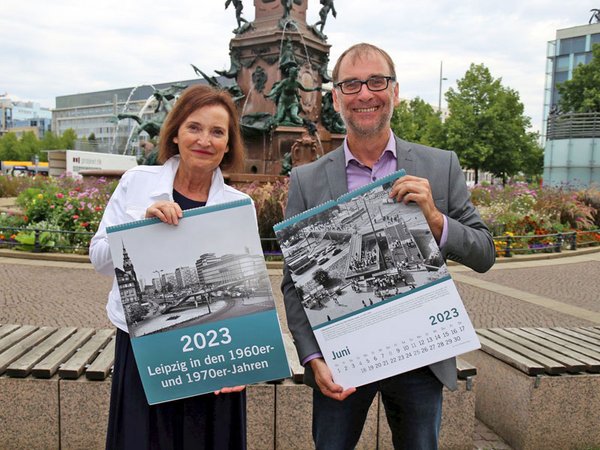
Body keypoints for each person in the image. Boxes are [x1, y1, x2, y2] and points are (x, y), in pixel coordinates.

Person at [281, 43, 496, 449]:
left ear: (395, 92)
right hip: (340, 357)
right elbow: (295, 284)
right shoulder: (306, 179)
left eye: (376, 82)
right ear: (336, 98)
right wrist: (312, 356)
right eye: (351, 84)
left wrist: (436, 220)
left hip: (419, 359)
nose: (365, 94)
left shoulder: (440, 165)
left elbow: (485, 253)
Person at [90, 84, 250, 450]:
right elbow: (99, 260)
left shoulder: (238, 203)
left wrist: (246, 361)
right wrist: (137, 230)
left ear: (228, 145)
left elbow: (245, 276)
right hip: (144, 347)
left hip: (216, 354)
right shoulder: (137, 182)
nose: (204, 140)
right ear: (175, 133)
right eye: (194, 127)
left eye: (217, 132)